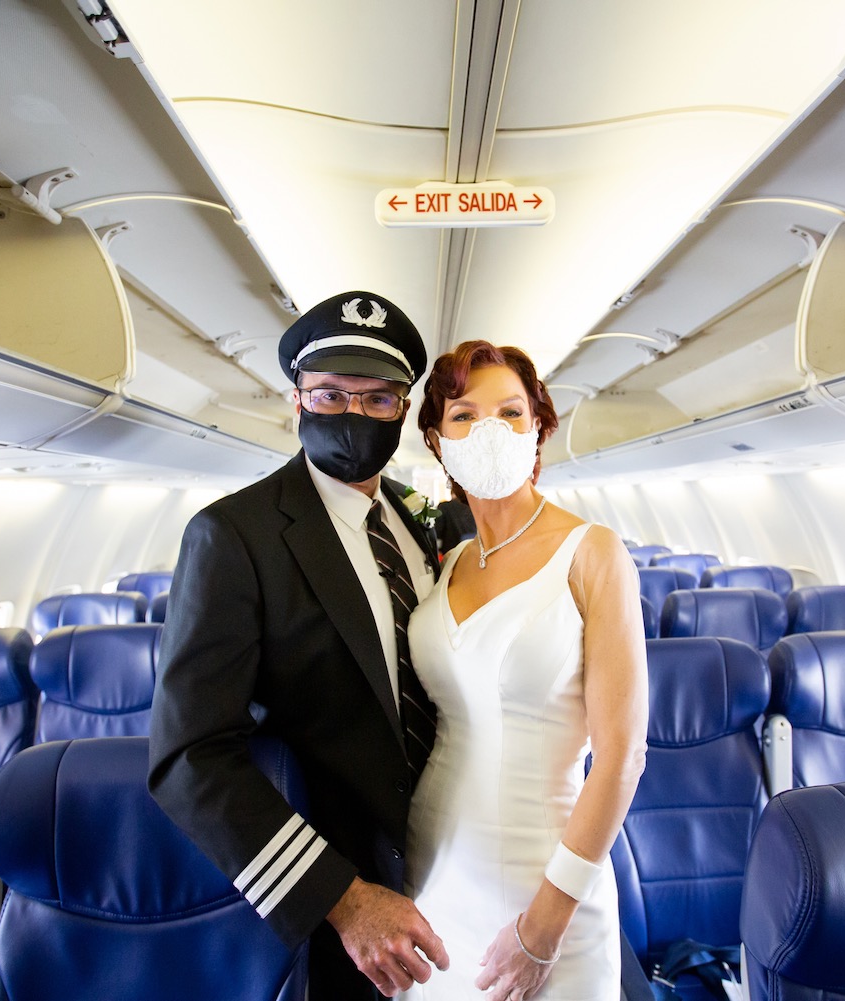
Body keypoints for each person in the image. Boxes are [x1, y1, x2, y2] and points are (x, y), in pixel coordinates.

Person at [149, 291, 451, 999]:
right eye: (331, 393)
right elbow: (187, 756)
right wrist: (344, 899)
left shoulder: (416, 521)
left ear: (403, 410)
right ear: (296, 398)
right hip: (337, 912)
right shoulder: (233, 535)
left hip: (450, 872)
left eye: (378, 399)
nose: (353, 414)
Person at [402, 340, 649, 1000]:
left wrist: (543, 928)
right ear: (435, 438)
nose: (490, 430)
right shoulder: (450, 561)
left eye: (511, 412)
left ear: (539, 426)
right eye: (464, 415)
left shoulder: (592, 553)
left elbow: (622, 758)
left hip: (547, 896)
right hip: (433, 883)